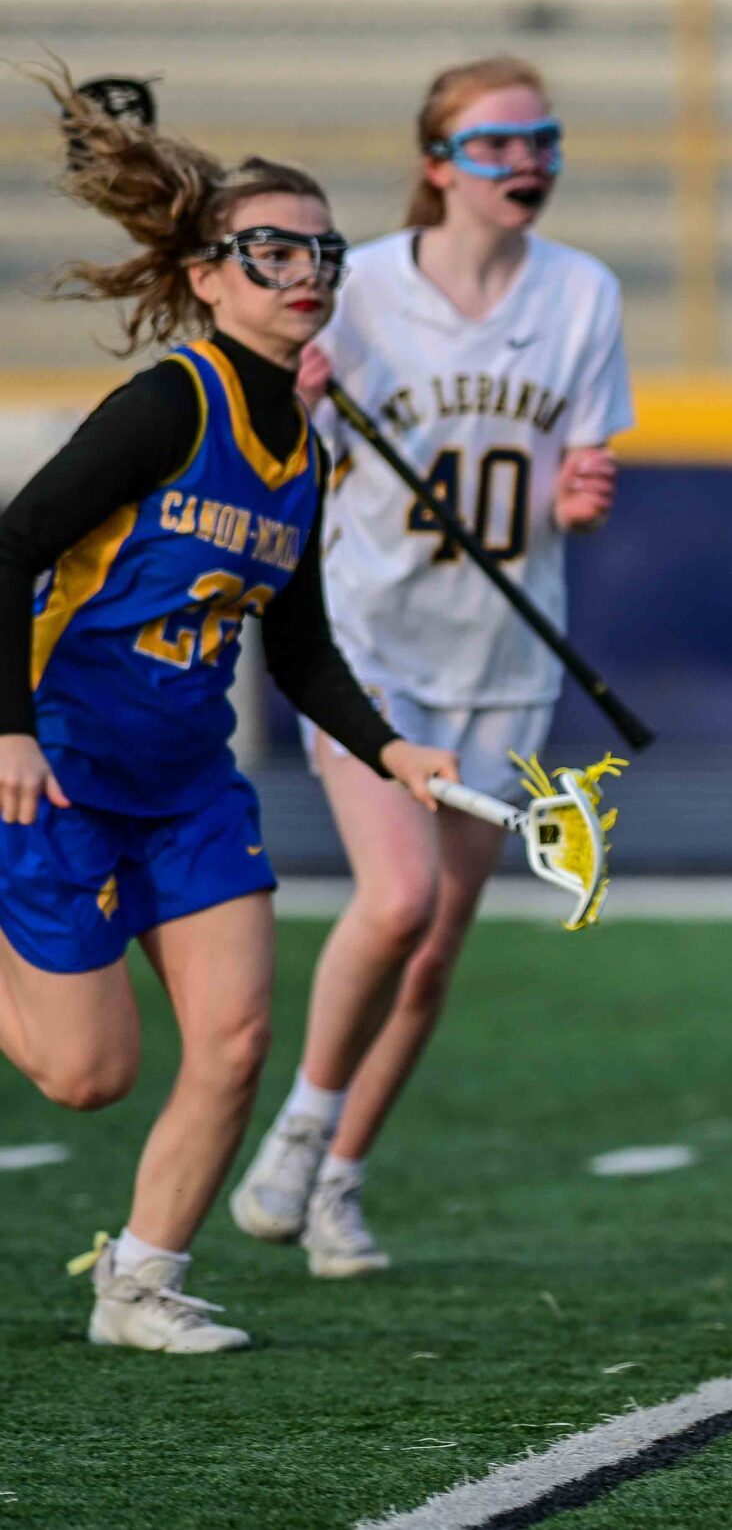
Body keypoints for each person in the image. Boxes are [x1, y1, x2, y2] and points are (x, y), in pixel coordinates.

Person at [0, 67, 455, 1352]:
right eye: (274, 252)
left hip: (189, 784)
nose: (307, 273)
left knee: (238, 1041)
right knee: (88, 1077)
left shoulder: (304, 454)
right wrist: (8, 729)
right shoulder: (167, 406)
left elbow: (297, 646)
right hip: (66, 765)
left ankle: (139, 1286)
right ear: (207, 276)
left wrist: (393, 751)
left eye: (324, 252)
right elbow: (11, 546)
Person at [231, 56, 630, 1277]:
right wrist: (292, 402)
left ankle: (340, 1180)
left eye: (541, 141)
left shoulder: (583, 293)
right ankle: (302, 1128)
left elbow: (570, 484)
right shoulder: (356, 289)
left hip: (502, 660)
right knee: (396, 900)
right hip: (372, 651)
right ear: (437, 164)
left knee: (435, 948)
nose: (525, 163)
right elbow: (270, 449)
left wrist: (579, 500)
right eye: (496, 144)